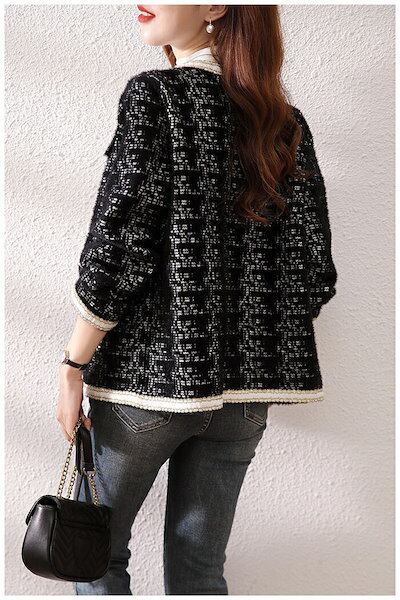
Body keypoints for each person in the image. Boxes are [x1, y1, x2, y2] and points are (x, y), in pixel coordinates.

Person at [57, 4, 338, 595]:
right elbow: (314, 273)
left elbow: (118, 248)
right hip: (245, 399)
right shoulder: (285, 123)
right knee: (200, 571)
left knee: (94, 558)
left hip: (148, 386)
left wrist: (73, 364)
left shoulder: (155, 97)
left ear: (215, 6)